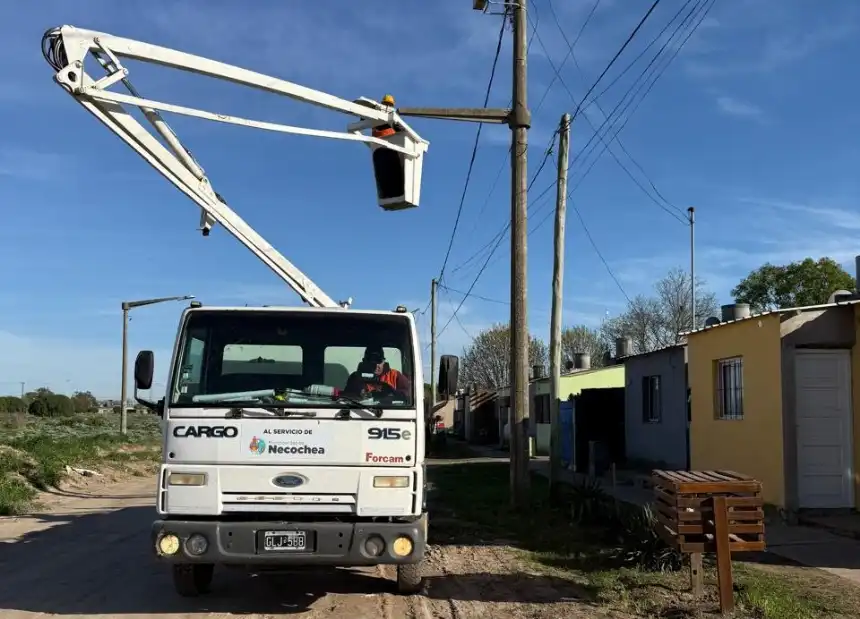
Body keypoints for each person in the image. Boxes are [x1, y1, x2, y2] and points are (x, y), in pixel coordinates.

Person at [343, 346, 412, 398]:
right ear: (364, 361)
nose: (376, 366)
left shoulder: (395, 375)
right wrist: (358, 393)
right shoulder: (355, 377)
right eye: (372, 362)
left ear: (384, 361)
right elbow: (346, 397)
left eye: (379, 361)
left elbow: (411, 393)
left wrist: (392, 393)